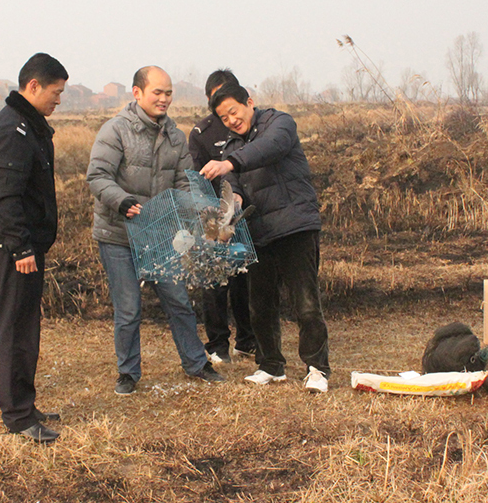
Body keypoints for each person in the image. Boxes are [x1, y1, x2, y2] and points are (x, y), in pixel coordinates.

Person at [87, 65, 224, 396]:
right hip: (118, 234)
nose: (164, 99)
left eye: (168, 93)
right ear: (137, 93)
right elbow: (97, 176)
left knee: (178, 299)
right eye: (157, 93)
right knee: (129, 307)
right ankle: (128, 372)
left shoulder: (176, 137)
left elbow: (183, 183)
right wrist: (122, 201)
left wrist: (201, 207)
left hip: (160, 235)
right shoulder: (115, 130)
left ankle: (196, 362)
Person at [200, 82, 331, 393]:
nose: (231, 120)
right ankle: (271, 365)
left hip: (295, 225)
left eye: (233, 111)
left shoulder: (279, 124)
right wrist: (232, 206)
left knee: (306, 303)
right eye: (224, 117)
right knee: (260, 305)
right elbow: (235, 189)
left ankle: (317, 368)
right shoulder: (230, 149)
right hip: (259, 233)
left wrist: (229, 164)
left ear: (249, 102)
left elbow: (268, 148)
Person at [0, 53, 67, 443]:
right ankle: (17, 416)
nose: (58, 100)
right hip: (16, 251)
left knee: (27, 329)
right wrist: (20, 248)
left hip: (26, 246)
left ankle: (25, 404)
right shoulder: (13, 130)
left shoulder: (29, 126)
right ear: (33, 86)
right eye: (55, 92)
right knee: (16, 331)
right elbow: (4, 197)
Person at [188, 69, 255, 364]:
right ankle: (217, 344)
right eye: (216, 98)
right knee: (215, 280)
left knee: (245, 278)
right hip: (215, 218)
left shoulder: (251, 127)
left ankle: (247, 339)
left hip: (248, 213)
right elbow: (197, 177)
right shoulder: (201, 134)